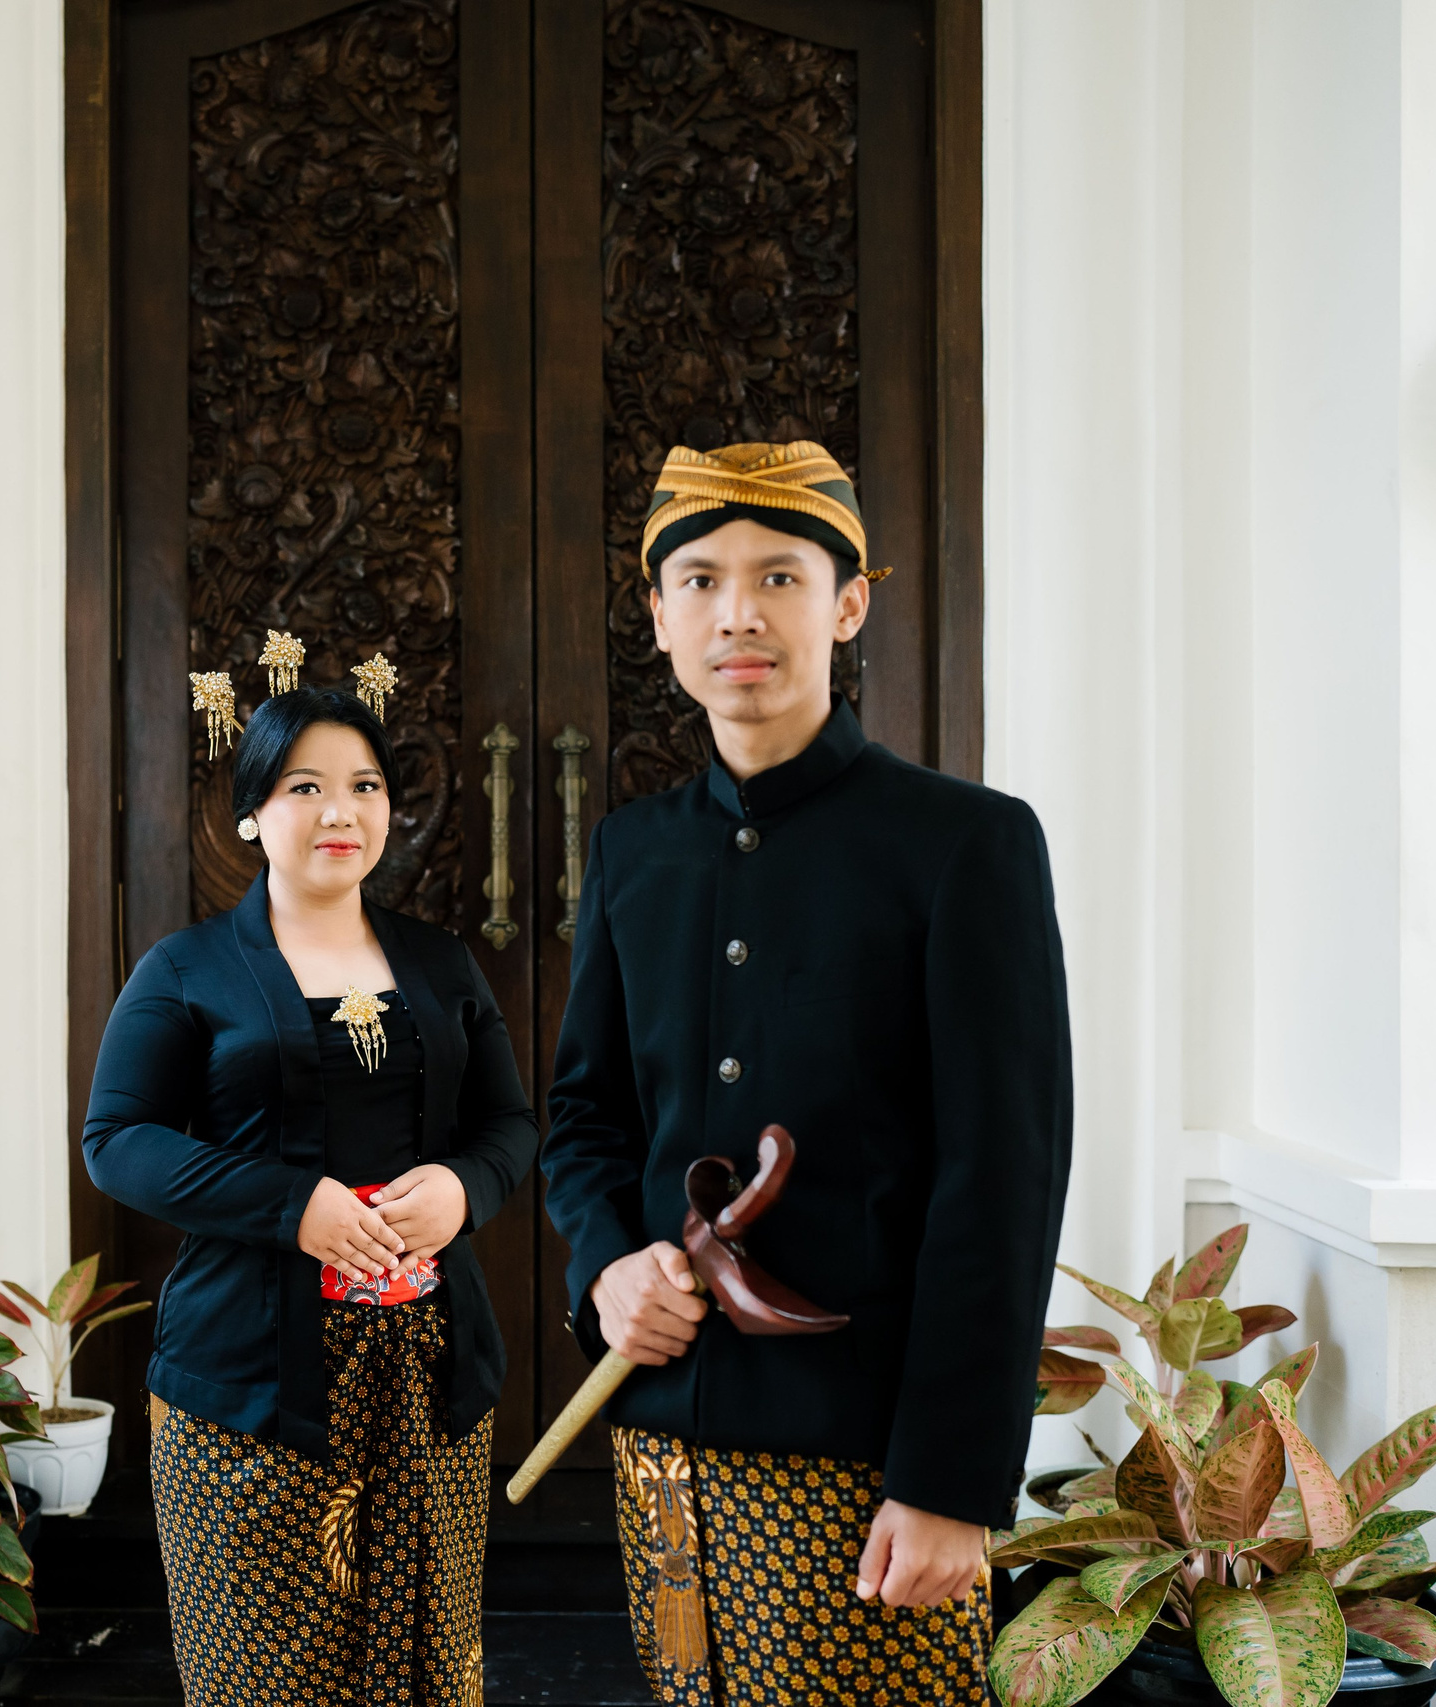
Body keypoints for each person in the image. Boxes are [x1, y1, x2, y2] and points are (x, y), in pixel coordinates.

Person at [541, 441, 1074, 1705]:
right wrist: (605, 1270)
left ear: (848, 603)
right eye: (701, 579)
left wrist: (950, 1479)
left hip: (867, 1457)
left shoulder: (967, 845)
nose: (740, 612)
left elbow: (1001, 1178)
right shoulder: (632, 851)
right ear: (659, 616)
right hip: (661, 1443)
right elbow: (584, 1117)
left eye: (780, 576)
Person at [85, 680, 539, 1707]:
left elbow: (511, 1126)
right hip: (248, 1390)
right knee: (264, 1673)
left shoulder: (440, 963)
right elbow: (117, 1143)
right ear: (251, 812)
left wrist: (464, 1189)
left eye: (365, 786)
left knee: (428, 1664)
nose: (341, 812)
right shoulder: (186, 970)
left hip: (428, 1378)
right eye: (305, 787)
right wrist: (294, 1208)